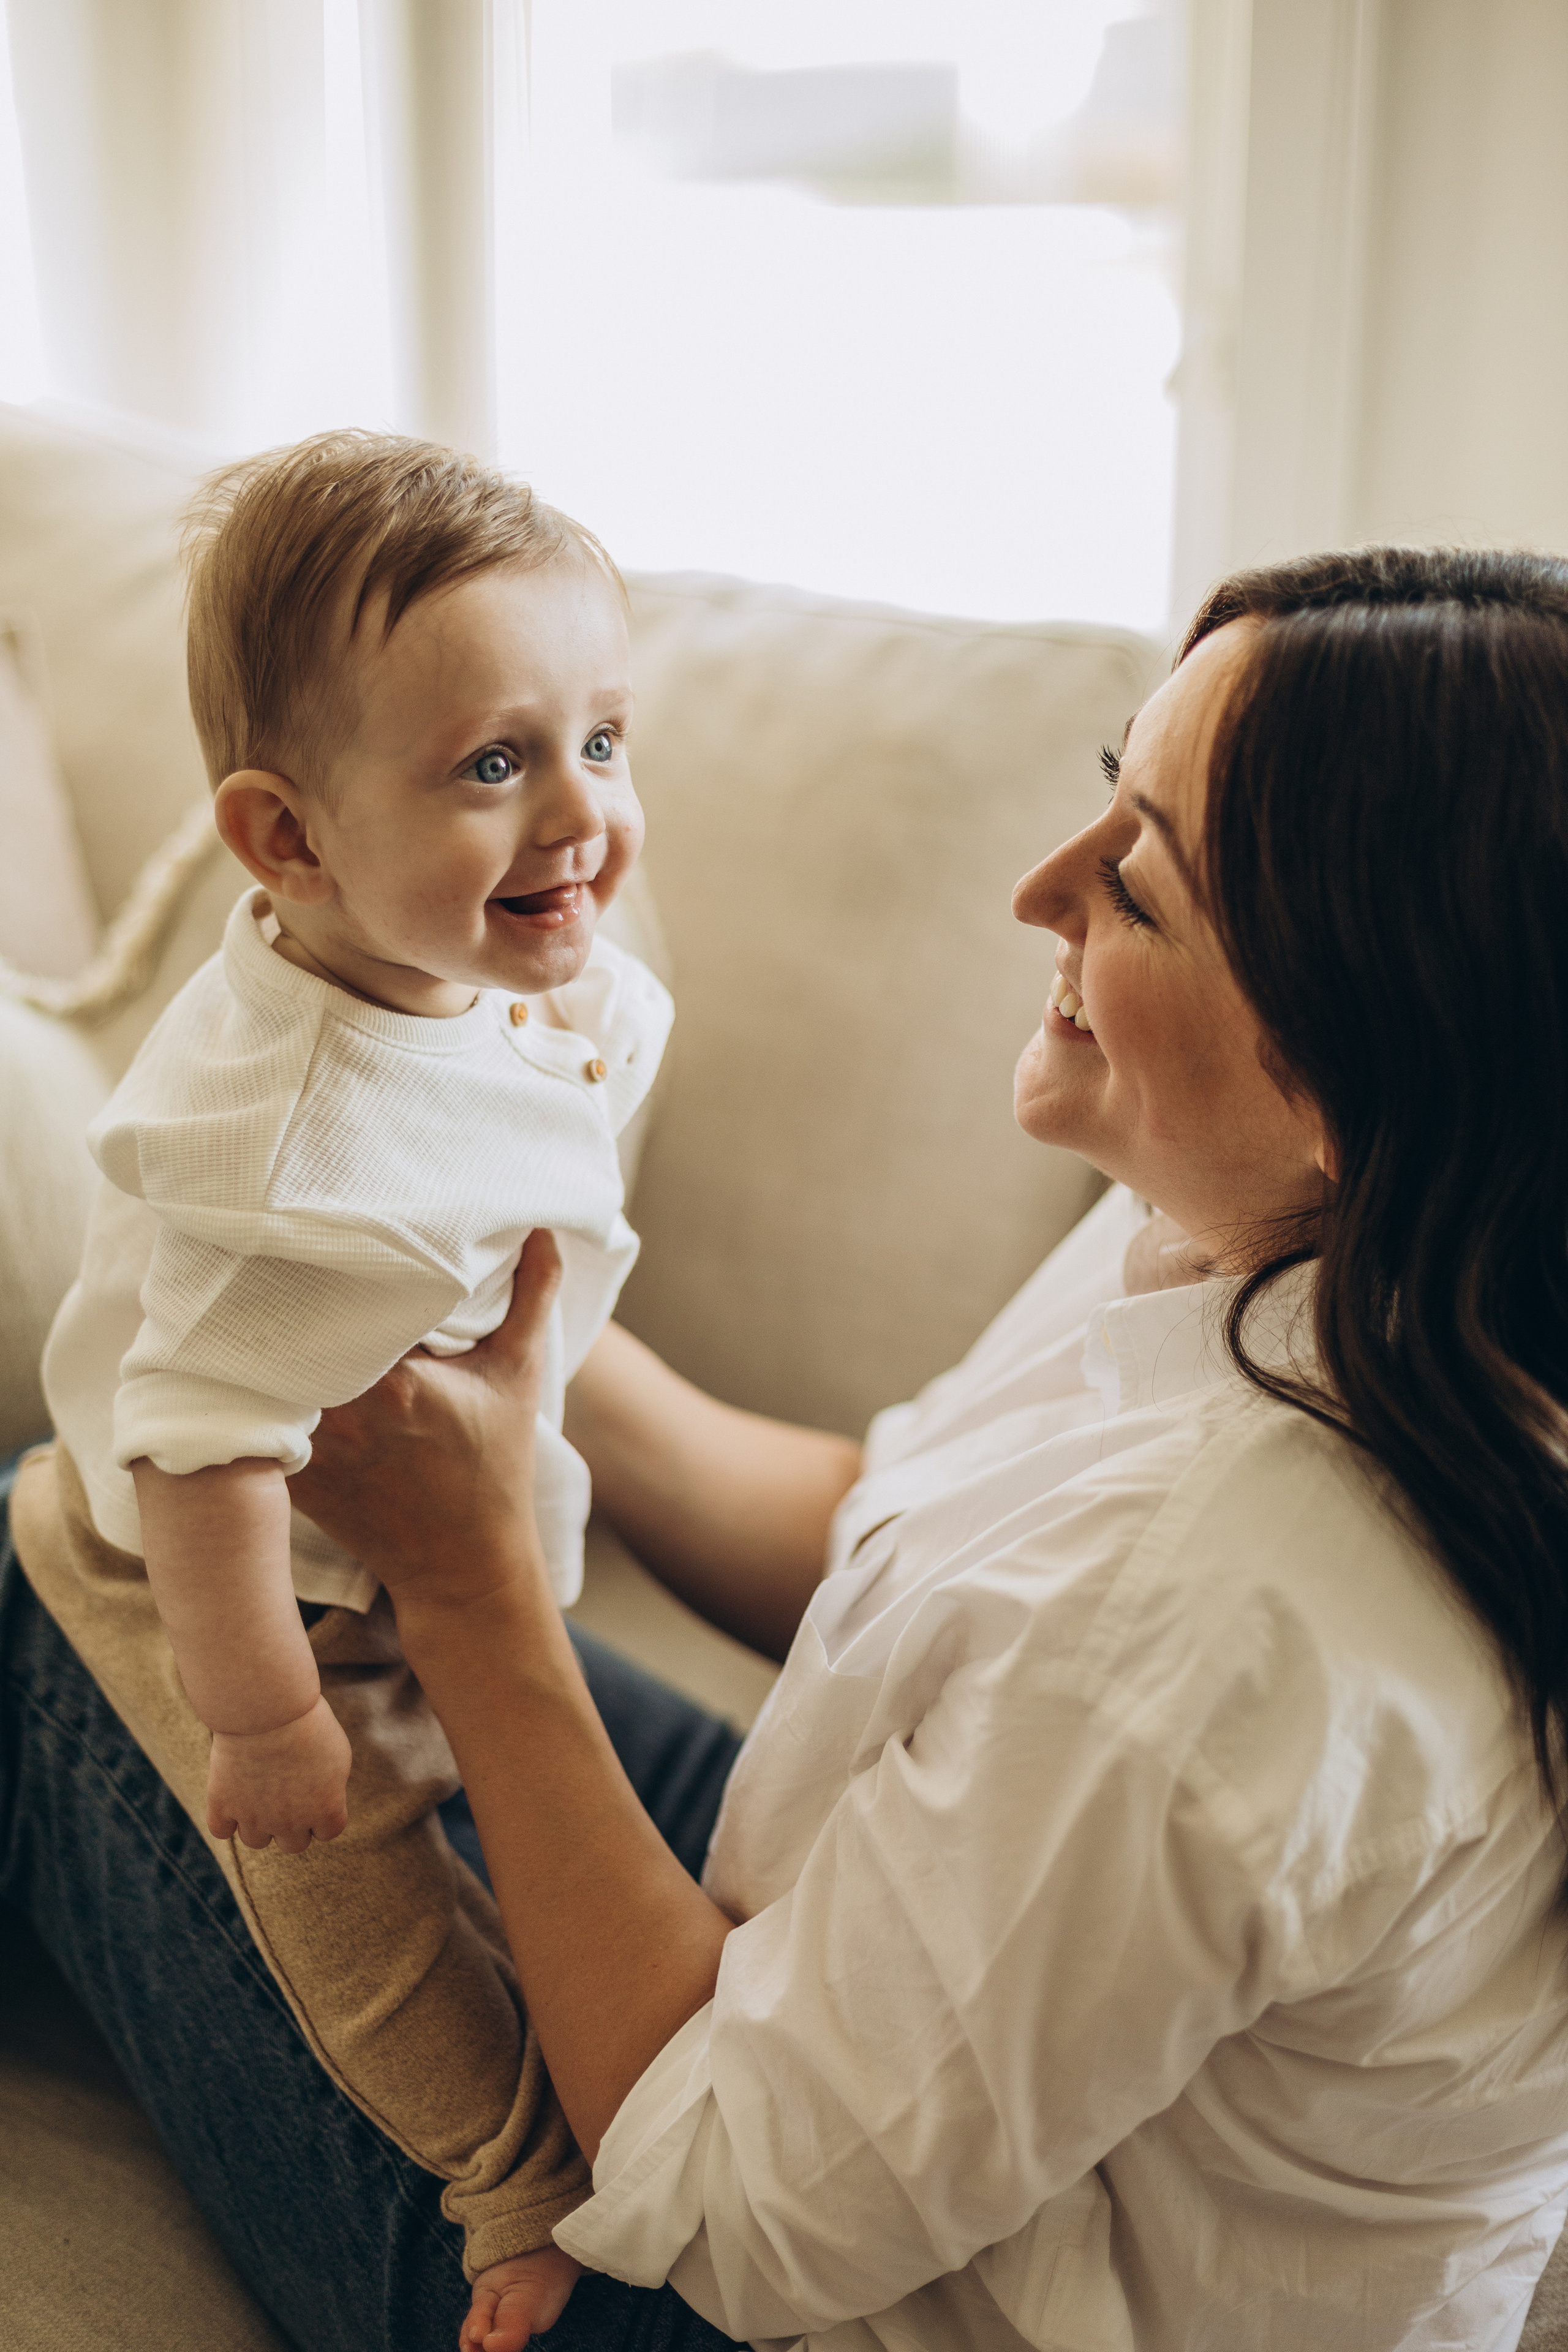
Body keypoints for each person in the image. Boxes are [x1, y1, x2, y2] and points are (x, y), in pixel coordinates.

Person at [5, 543, 1568, 2352]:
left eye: (1137, 888)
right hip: (872, 1980)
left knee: (54, 1566)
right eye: (1104, 792)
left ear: (1352, 1063)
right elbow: (890, 1525)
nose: (1036, 892)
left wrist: (471, 1576)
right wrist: (447, 1305)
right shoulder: (1312, 1238)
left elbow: (729, 2210)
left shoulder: (1208, 1633)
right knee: (295, 1622)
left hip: (772, 2290)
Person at [13, 431, 671, 2343]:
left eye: (602, 740)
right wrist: (268, 1716)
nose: (580, 812)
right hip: (202, 1584)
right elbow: (196, 1449)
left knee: (525, 1835)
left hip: (407, 1525)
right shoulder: (283, 1151)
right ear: (287, 842)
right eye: (494, 766)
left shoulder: (496, 975)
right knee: (359, 1906)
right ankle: (509, 2183)